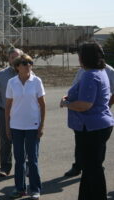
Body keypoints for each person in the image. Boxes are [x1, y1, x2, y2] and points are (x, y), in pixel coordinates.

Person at [60, 42, 114, 200]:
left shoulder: (90, 75)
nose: (78, 57)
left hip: (92, 128)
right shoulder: (98, 71)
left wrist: (66, 104)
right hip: (96, 126)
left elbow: (85, 105)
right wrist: (69, 98)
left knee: (93, 169)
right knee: (89, 167)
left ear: (85, 57)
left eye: (80, 54)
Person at [64, 60, 114, 177]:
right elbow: (74, 88)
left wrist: (107, 104)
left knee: (97, 150)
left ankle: (97, 166)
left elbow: (85, 104)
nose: (79, 60)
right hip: (81, 119)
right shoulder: (83, 70)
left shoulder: (106, 71)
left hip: (96, 117)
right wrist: (68, 98)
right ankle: (78, 166)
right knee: (80, 144)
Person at [5, 54, 45, 200]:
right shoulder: (11, 82)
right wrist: (7, 127)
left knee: (32, 160)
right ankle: (20, 189)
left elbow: (42, 105)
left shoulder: (37, 81)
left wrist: (41, 125)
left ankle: (35, 189)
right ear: (17, 67)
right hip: (16, 126)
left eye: (30, 62)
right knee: (19, 159)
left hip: (33, 126)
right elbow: (8, 106)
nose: (27, 65)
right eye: (24, 62)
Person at [0, 48, 23, 177]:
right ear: (8, 59)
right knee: (5, 141)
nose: (15, 59)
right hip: (5, 114)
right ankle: (5, 167)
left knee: (23, 141)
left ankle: (24, 167)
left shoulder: (29, 74)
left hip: (22, 114)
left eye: (17, 57)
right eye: (12, 57)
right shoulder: (1, 75)